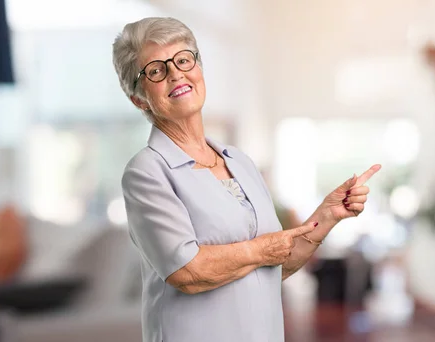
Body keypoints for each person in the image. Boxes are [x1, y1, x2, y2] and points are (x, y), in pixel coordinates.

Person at [113, 17, 381, 342]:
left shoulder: (239, 162)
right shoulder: (147, 171)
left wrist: (327, 215)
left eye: (184, 59)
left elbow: (275, 265)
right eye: (156, 70)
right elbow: (188, 272)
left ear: (198, 69)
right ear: (139, 98)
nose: (176, 73)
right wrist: (262, 250)